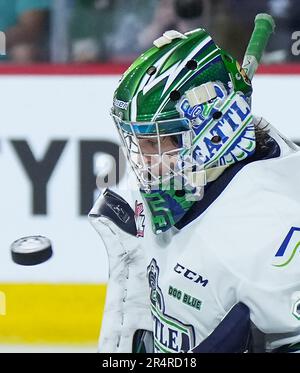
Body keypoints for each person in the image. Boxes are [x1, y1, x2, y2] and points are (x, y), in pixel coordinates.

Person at [89, 28, 300, 353]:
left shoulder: (272, 236)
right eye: (140, 144)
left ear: (211, 134)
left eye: (156, 144)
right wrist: (193, 65)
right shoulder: (175, 180)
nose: (144, 165)